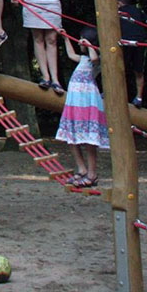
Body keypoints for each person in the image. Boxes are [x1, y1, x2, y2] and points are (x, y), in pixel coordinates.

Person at [56, 30, 109, 188]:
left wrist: (90, 45)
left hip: (88, 100)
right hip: (75, 101)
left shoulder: (97, 58)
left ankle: (92, 174)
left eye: (81, 40)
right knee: (72, 136)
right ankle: (82, 169)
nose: (79, 42)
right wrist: (66, 38)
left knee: (88, 138)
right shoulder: (83, 59)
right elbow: (71, 55)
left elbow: (94, 58)